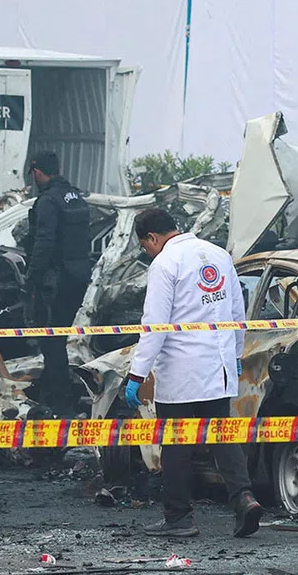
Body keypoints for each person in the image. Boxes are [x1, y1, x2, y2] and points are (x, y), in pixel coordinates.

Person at [124, 207, 263, 538]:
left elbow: (154, 327)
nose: (148, 252)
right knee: (223, 438)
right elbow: (236, 313)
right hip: (219, 368)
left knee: (177, 444)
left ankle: (179, 518)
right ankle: (244, 499)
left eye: (145, 246)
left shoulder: (164, 265)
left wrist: (136, 375)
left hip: (183, 371)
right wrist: (236, 353)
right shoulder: (218, 255)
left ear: (152, 238)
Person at [23, 151, 91, 414]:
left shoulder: (48, 201)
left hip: (55, 281)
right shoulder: (75, 197)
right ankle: (50, 394)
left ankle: (60, 405)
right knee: (57, 338)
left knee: (51, 341)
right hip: (77, 277)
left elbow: (44, 244)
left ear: (37, 171)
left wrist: (29, 281)